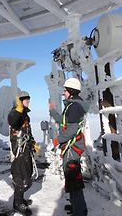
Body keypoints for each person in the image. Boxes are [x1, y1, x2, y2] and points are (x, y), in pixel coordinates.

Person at [49, 78, 89, 216]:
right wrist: (53, 111)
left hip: (72, 148)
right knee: (71, 179)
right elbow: (63, 121)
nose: (63, 93)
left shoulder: (74, 107)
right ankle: (77, 207)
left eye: (65, 90)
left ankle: (80, 211)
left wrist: (57, 141)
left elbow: (71, 131)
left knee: (73, 180)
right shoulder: (72, 106)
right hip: (70, 148)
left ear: (71, 91)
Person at [7, 90, 39, 216]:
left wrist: (33, 143)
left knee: (26, 173)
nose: (28, 101)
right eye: (26, 99)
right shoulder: (15, 112)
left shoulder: (25, 115)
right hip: (19, 150)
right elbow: (12, 121)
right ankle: (17, 204)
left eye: (28, 99)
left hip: (25, 148)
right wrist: (18, 110)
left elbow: (27, 132)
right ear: (20, 101)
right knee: (20, 175)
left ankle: (20, 198)